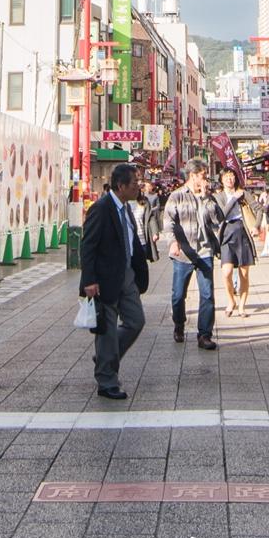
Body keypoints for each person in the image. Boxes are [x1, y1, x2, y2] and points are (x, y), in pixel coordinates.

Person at [79, 162, 150, 400]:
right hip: (105, 278)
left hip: (127, 275)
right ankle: (107, 380)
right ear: (121, 186)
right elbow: (87, 245)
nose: (138, 186)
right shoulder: (101, 208)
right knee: (107, 331)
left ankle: (105, 359)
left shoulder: (127, 208)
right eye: (135, 183)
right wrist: (89, 280)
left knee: (136, 321)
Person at [166, 160, 223, 350]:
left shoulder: (208, 197)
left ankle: (204, 334)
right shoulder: (177, 196)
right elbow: (169, 221)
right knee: (178, 294)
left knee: (207, 295)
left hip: (205, 251)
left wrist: (207, 198)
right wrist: (173, 241)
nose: (205, 179)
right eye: (203, 176)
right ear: (193, 175)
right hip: (184, 252)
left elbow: (217, 220)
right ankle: (179, 323)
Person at [217, 168, 258, 317]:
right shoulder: (219, 197)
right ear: (221, 180)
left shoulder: (244, 193)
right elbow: (222, 214)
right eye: (227, 177)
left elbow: (258, 209)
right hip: (227, 234)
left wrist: (256, 226)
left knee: (244, 273)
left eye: (232, 176)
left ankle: (241, 306)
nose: (230, 179)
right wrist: (234, 198)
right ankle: (231, 301)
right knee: (226, 272)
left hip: (242, 232)